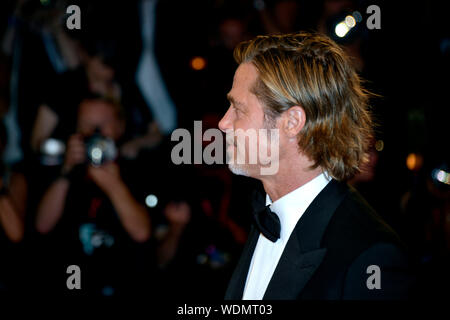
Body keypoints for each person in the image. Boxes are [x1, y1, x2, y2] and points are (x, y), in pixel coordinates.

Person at [219, 32, 414, 300]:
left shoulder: (371, 256)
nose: (223, 123)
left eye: (238, 109)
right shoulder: (264, 218)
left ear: (292, 122)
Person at [35, 97, 151, 296]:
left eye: (104, 125)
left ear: (120, 127)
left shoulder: (138, 170)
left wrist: (113, 184)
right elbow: (42, 225)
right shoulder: (61, 167)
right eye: (87, 125)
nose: (96, 133)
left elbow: (141, 233)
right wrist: (67, 170)